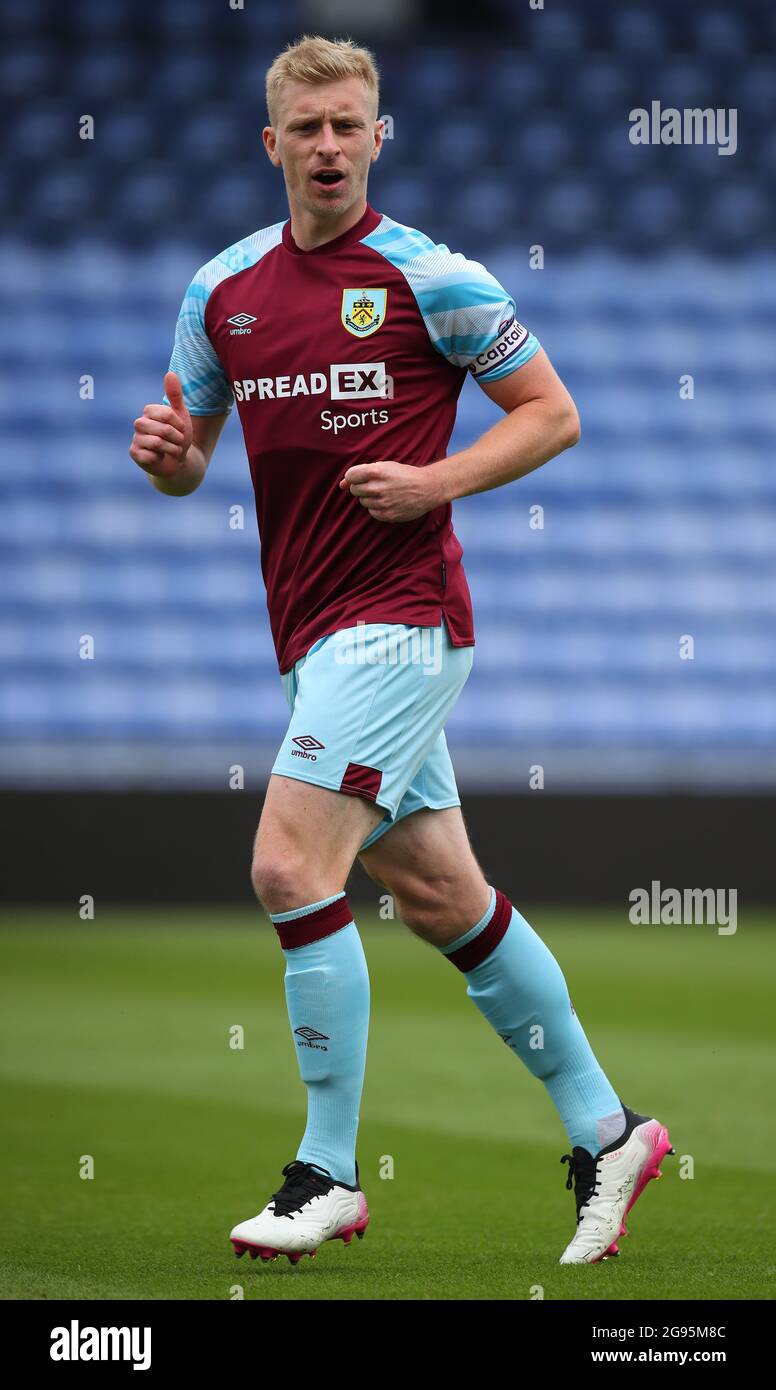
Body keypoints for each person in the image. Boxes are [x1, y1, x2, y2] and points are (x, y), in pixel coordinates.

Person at [129, 34, 671, 1267]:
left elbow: (552, 413)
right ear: (271, 144)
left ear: (380, 137)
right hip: (310, 633)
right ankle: (609, 1126)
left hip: (402, 623)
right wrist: (170, 463)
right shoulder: (222, 291)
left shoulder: (432, 276)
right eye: (305, 127)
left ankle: (326, 1171)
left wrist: (433, 478)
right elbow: (189, 456)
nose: (328, 145)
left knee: (285, 865)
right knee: (438, 896)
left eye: (348, 125)